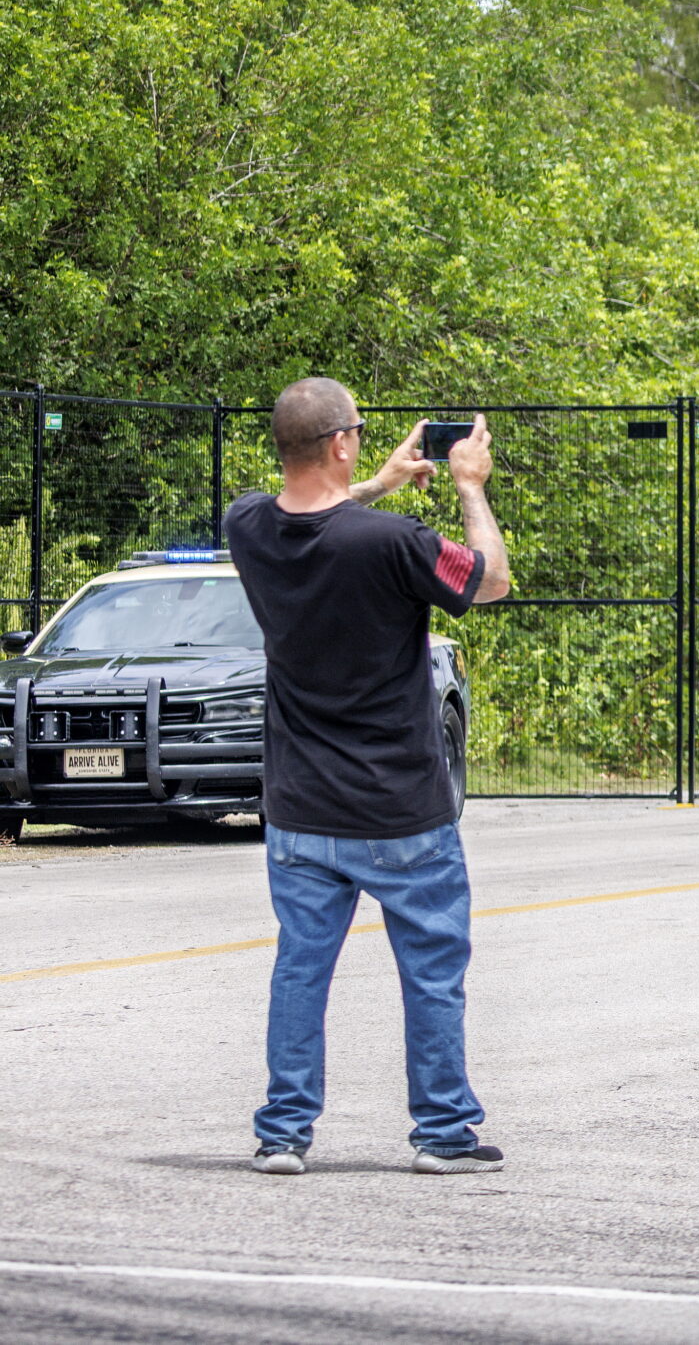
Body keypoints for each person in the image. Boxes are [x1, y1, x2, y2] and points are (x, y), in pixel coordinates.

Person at [225, 379, 513, 1174]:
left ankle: (284, 1131)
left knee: (301, 967)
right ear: (344, 442)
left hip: (298, 807)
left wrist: (378, 483)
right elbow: (488, 579)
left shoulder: (246, 526)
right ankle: (443, 1132)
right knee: (430, 969)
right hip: (400, 809)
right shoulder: (397, 544)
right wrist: (469, 488)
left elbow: (312, 512)